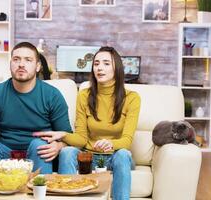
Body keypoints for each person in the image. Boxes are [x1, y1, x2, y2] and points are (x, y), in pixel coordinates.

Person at [33, 46, 141, 200]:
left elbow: (127, 141)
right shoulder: (84, 95)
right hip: (89, 157)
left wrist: (110, 143)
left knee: (123, 154)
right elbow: (82, 138)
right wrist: (63, 135)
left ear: (117, 68)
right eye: (96, 64)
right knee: (67, 152)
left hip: (116, 156)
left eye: (106, 63)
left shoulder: (132, 98)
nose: (100, 68)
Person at [0, 42, 72, 176]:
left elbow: (66, 134)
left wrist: (59, 146)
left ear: (38, 67)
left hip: (38, 153)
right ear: (10, 64)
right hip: (5, 155)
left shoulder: (53, 95)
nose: (21, 64)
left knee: (39, 144)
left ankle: (38, 191)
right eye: (16, 59)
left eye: (28, 60)